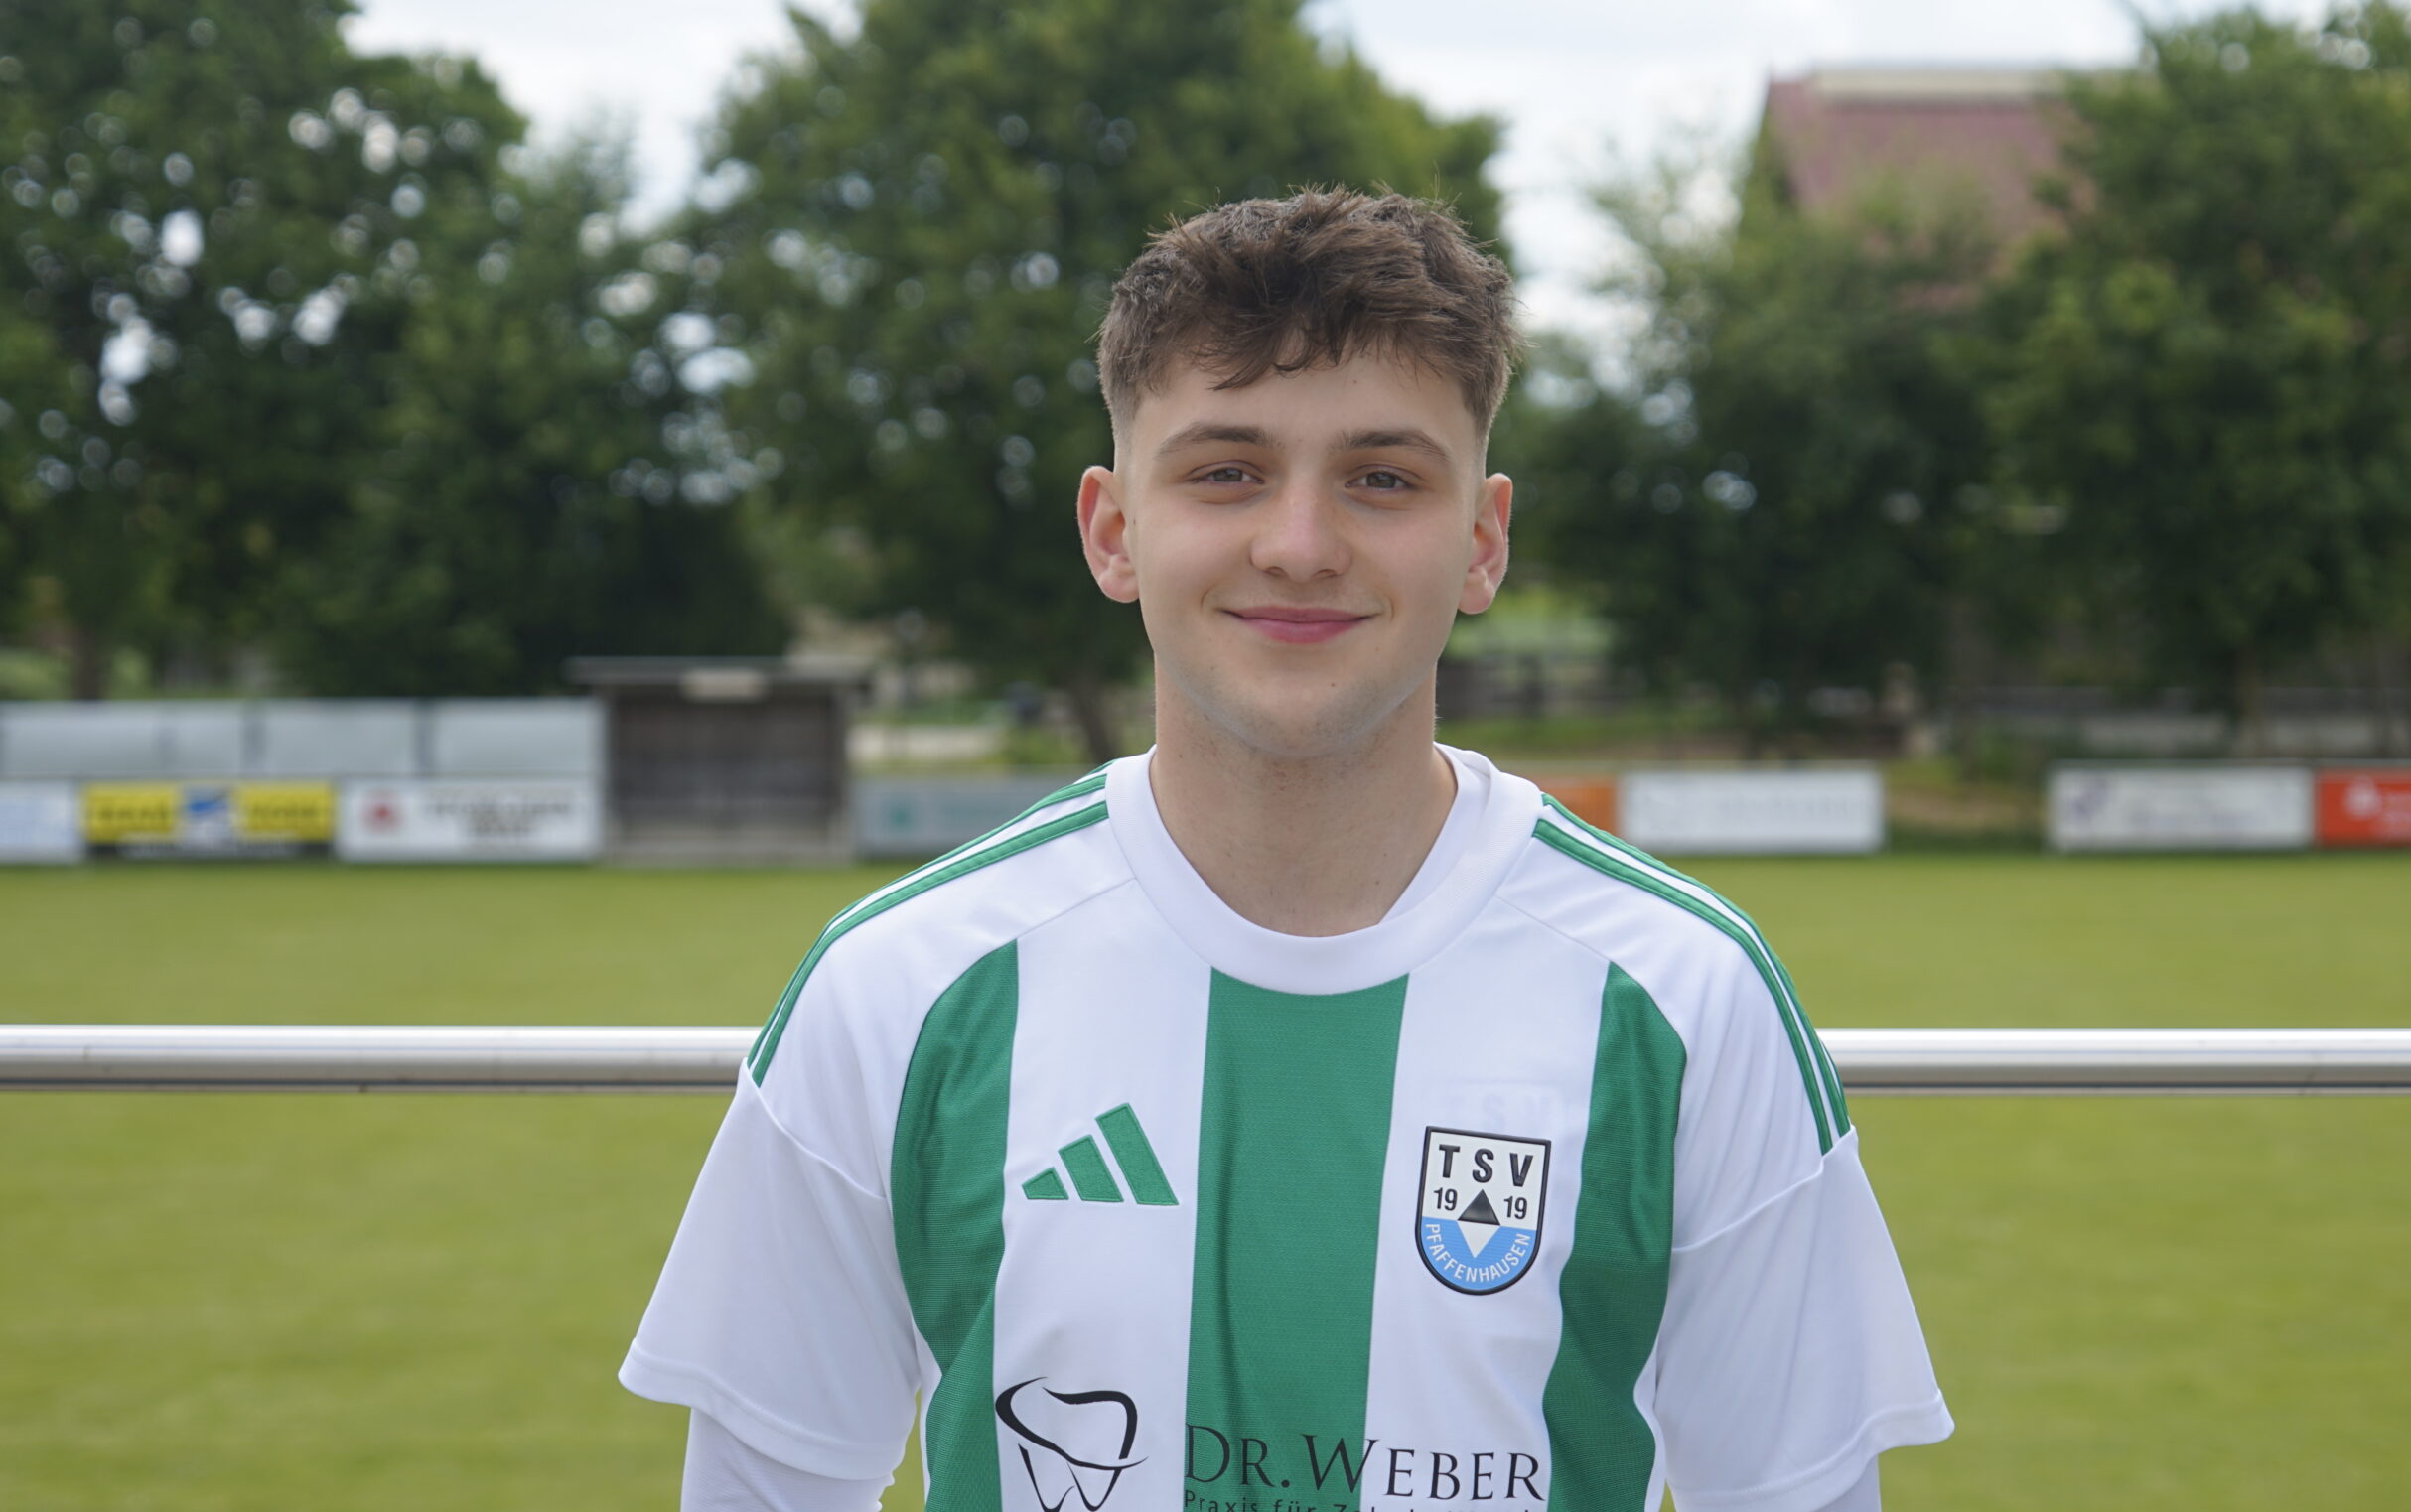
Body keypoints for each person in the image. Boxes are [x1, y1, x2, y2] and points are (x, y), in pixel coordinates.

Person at [621, 190, 1950, 1512]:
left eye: (1382, 478)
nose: (1301, 546)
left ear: (1482, 542)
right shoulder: (898, 988)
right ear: (1113, 530)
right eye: (1225, 472)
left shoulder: (1688, 998)